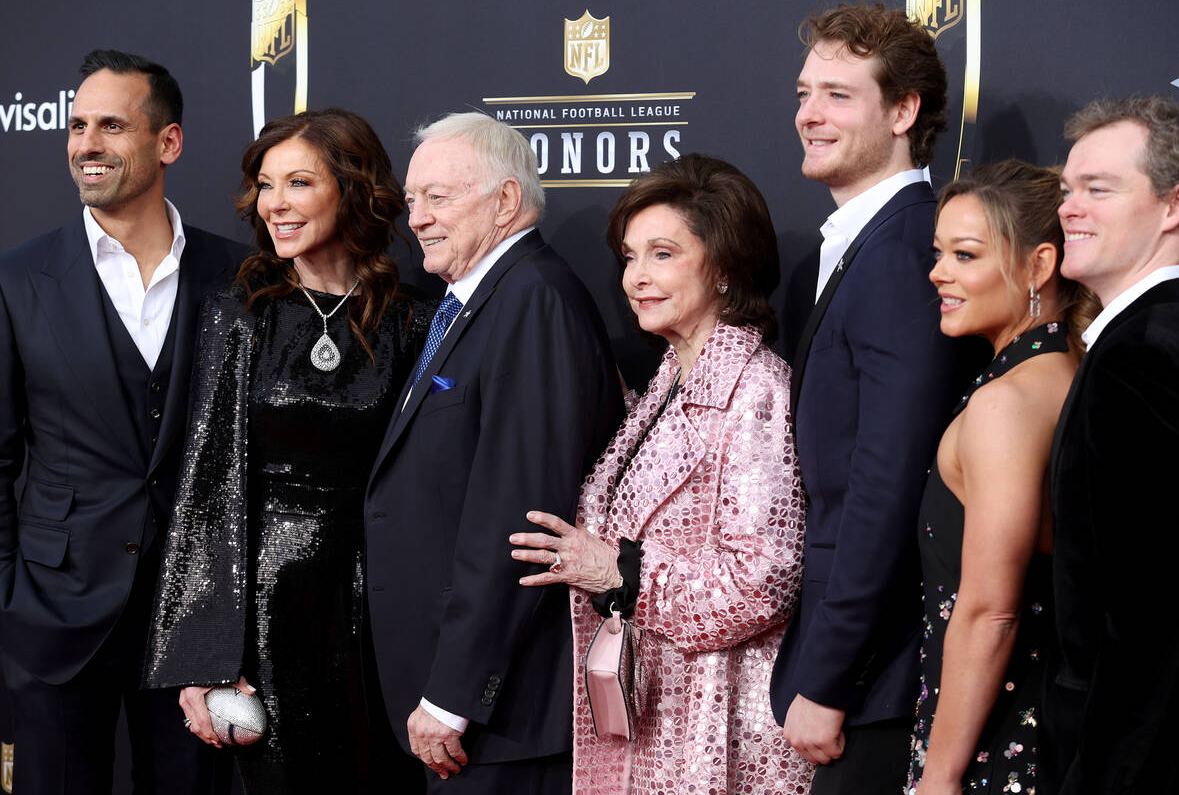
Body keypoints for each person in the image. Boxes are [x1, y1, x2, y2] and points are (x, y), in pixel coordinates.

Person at [143, 108, 430, 793]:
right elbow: (206, 482)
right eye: (266, 185)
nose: (276, 203)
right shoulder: (242, 311)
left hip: (381, 608)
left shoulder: (416, 318)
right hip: (267, 613)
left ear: (353, 190)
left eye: (298, 182)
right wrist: (202, 657)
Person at [510, 153, 813, 794]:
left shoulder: (756, 388)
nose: (636, 278)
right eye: (629, 257)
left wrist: (621, 571)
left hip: (718, 724)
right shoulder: (670, 378)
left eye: (663, 254)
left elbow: (764, 579)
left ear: (726, 266)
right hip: (651, 712)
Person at [0, 49, 241, 794]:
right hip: (55, 614)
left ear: (167, 143)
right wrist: (12, 599)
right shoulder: (19, 280)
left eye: (111, 125)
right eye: (77, 126)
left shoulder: (237, 278)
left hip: (197, 623)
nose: (86, 144)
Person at [363, 112, 623, 793]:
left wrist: (453, 694)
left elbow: (519, 516)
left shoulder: (532, 299)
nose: (416, 219)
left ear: (506, 201)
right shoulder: (477, 301)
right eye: (413, 200)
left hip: (500, 715)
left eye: (438, 198)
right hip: (471, 712)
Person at [769, 5, 966, 795]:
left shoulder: (903, 253)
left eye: (838, 96)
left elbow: (888, 486)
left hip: (876, 677)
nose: (809, 115)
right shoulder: (858, 246)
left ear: (903, 111)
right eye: (804, 92)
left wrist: (831, 679)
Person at [904, 160, 1094, 795]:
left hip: (1000, 739)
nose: (939, 272)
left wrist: (940, 775)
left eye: (964, 254)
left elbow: (990, 611)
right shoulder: (1074, 377)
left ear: (1040, 266)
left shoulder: (1006, 404)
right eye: (939, 252)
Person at [1043, 96, 1179, 795]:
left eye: (1097, 189)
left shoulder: (1142, 354)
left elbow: (1148, 616)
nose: (1069, 208)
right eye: (1067, 190)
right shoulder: (1171, 331)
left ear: (1175, 205)